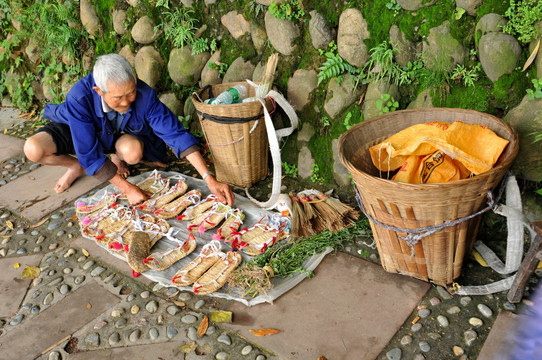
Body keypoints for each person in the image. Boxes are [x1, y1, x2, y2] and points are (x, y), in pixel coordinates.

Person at [24, 53, 234, 206]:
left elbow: (174, 133)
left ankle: (115, 156)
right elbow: (88, 151)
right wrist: (129, 189)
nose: (126, 102)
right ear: (98, 91)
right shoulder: (79, 98)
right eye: (117, 98)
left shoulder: (144, 95)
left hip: (116, 135)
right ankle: (75, 166)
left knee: (132, 153)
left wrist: (209, 178)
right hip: (76, 127)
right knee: (33, 149)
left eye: (131, 93)